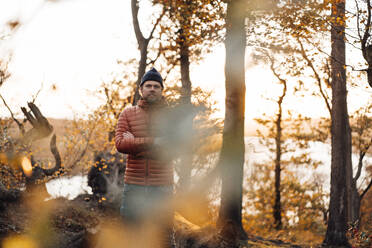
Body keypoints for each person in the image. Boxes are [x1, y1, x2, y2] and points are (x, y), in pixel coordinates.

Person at [115, 68, 175, 248]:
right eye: (148, 85)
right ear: (141, 89)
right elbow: (120, 144)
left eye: (156, 86)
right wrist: (156, 142)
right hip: (134, 186)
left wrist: (136, 144)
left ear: (162, 90)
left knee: (163, 237)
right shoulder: (128, 113)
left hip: (162, 187)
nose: (152, 89)